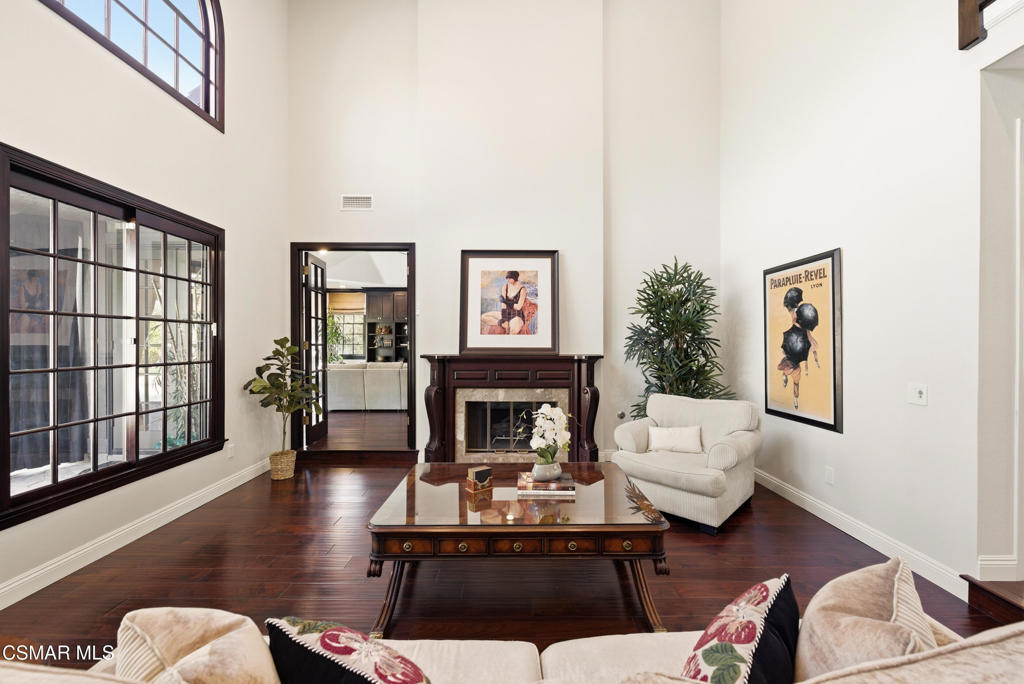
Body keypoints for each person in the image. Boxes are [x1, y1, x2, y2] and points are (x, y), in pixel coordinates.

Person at [777, 289, 820, 409]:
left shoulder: (799, 317)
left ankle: (795, 399)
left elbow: (805, 333)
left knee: (796, 382)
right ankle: (786, 380)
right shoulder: (797, 316)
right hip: (796, 345)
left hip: (799, 344)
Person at [499, 271, 528, 335]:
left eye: (510, 278)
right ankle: (505, 324)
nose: (508, 280)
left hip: (517, 315)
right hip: (506, 313)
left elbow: (518, 307)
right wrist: (505, 319)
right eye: (508, 278)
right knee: (484, 317)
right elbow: (503, 305)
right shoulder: (505, 287)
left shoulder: (522, 289)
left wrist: (505, 301)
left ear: (515, 278)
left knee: (513, 330)